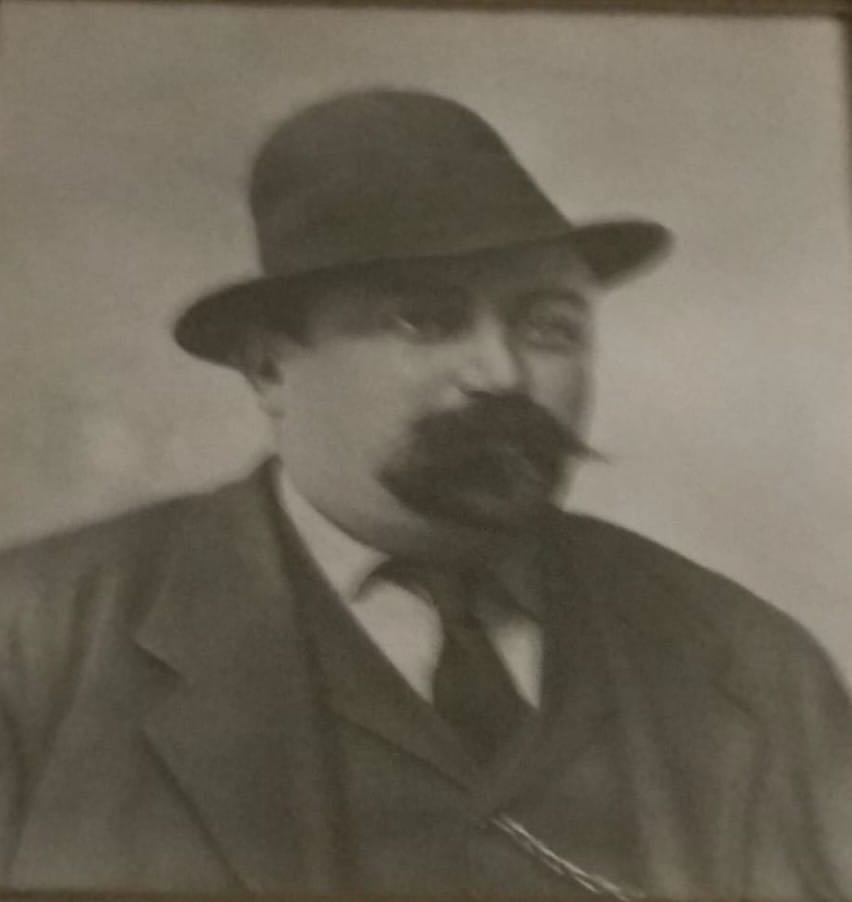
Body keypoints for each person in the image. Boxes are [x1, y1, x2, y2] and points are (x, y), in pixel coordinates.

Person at [0, 89, 850, 900]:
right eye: (425, 321)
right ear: (270, 368)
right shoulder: (35, 644)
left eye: (548, 327)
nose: (502, 373)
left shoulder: (753, 669)